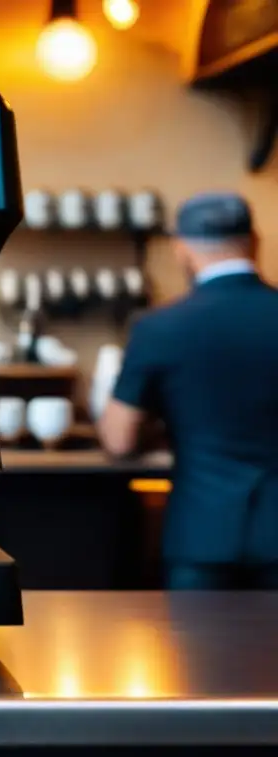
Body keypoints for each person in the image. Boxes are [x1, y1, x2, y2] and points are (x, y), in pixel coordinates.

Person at [98, 192, 278, 590]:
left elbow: (119, 437)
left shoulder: (160, 327)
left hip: (202, 538)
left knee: (202, 653)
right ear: (255, 241)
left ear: (181, 249)